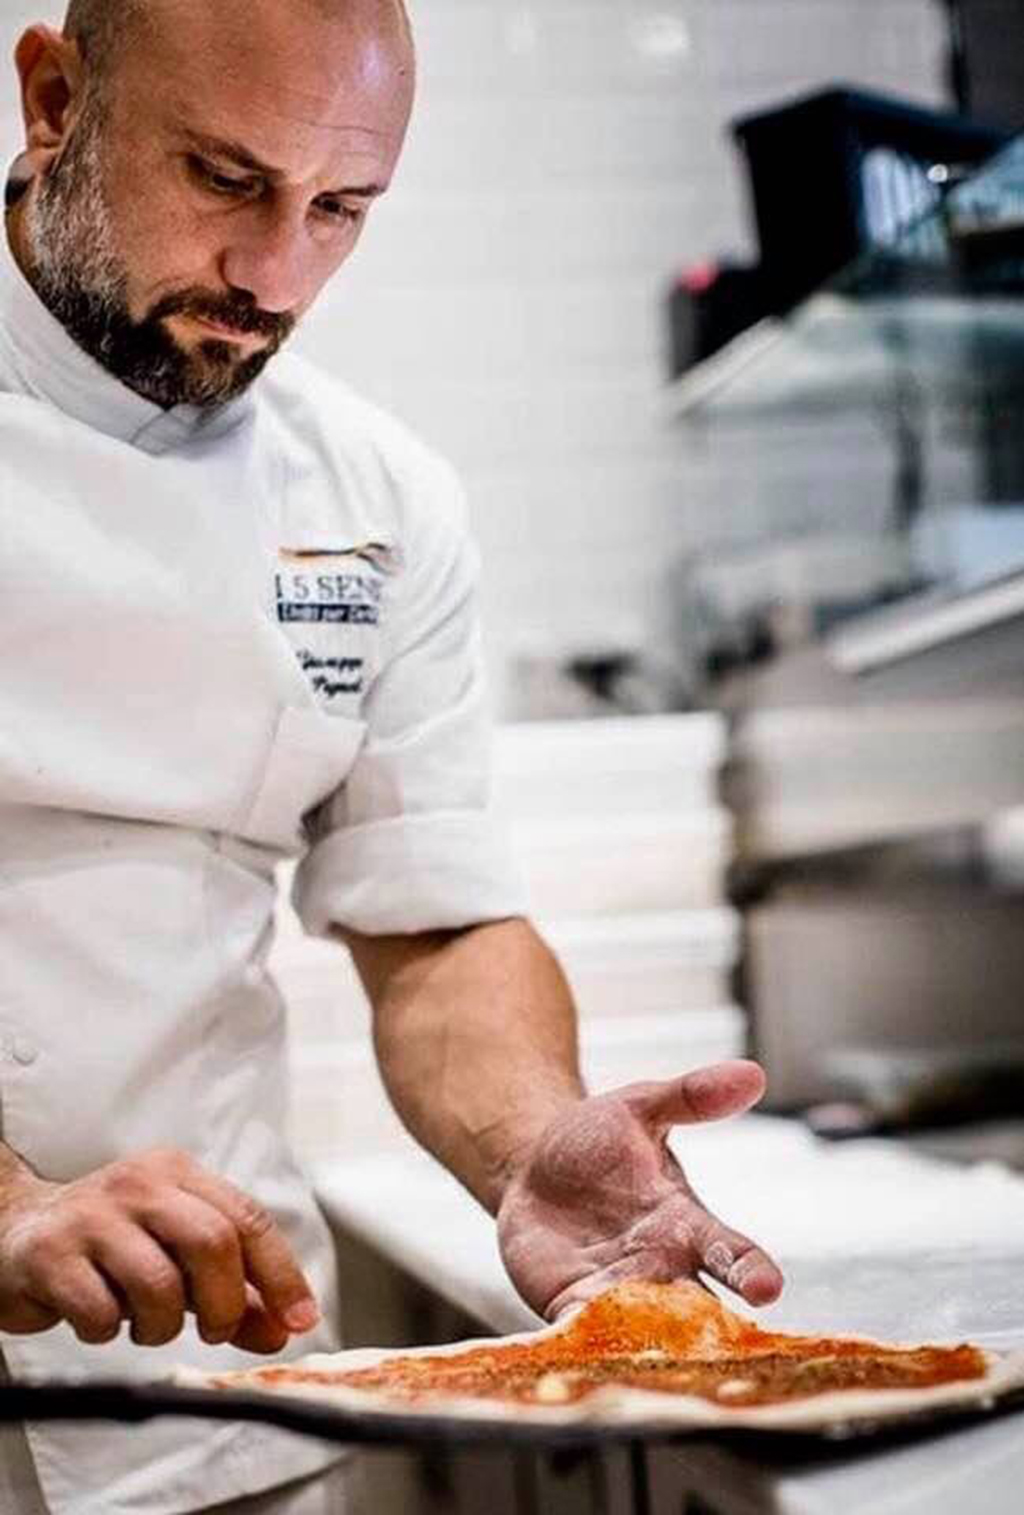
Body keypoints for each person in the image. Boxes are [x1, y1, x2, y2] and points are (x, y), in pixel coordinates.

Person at [0, 1, 784, 1510]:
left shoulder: (376, 497)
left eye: (341, 207)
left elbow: (431, 921)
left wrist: (528, 1141)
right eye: (226, 180)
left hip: (215, 1397)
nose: (276, 274)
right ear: (53, 98)